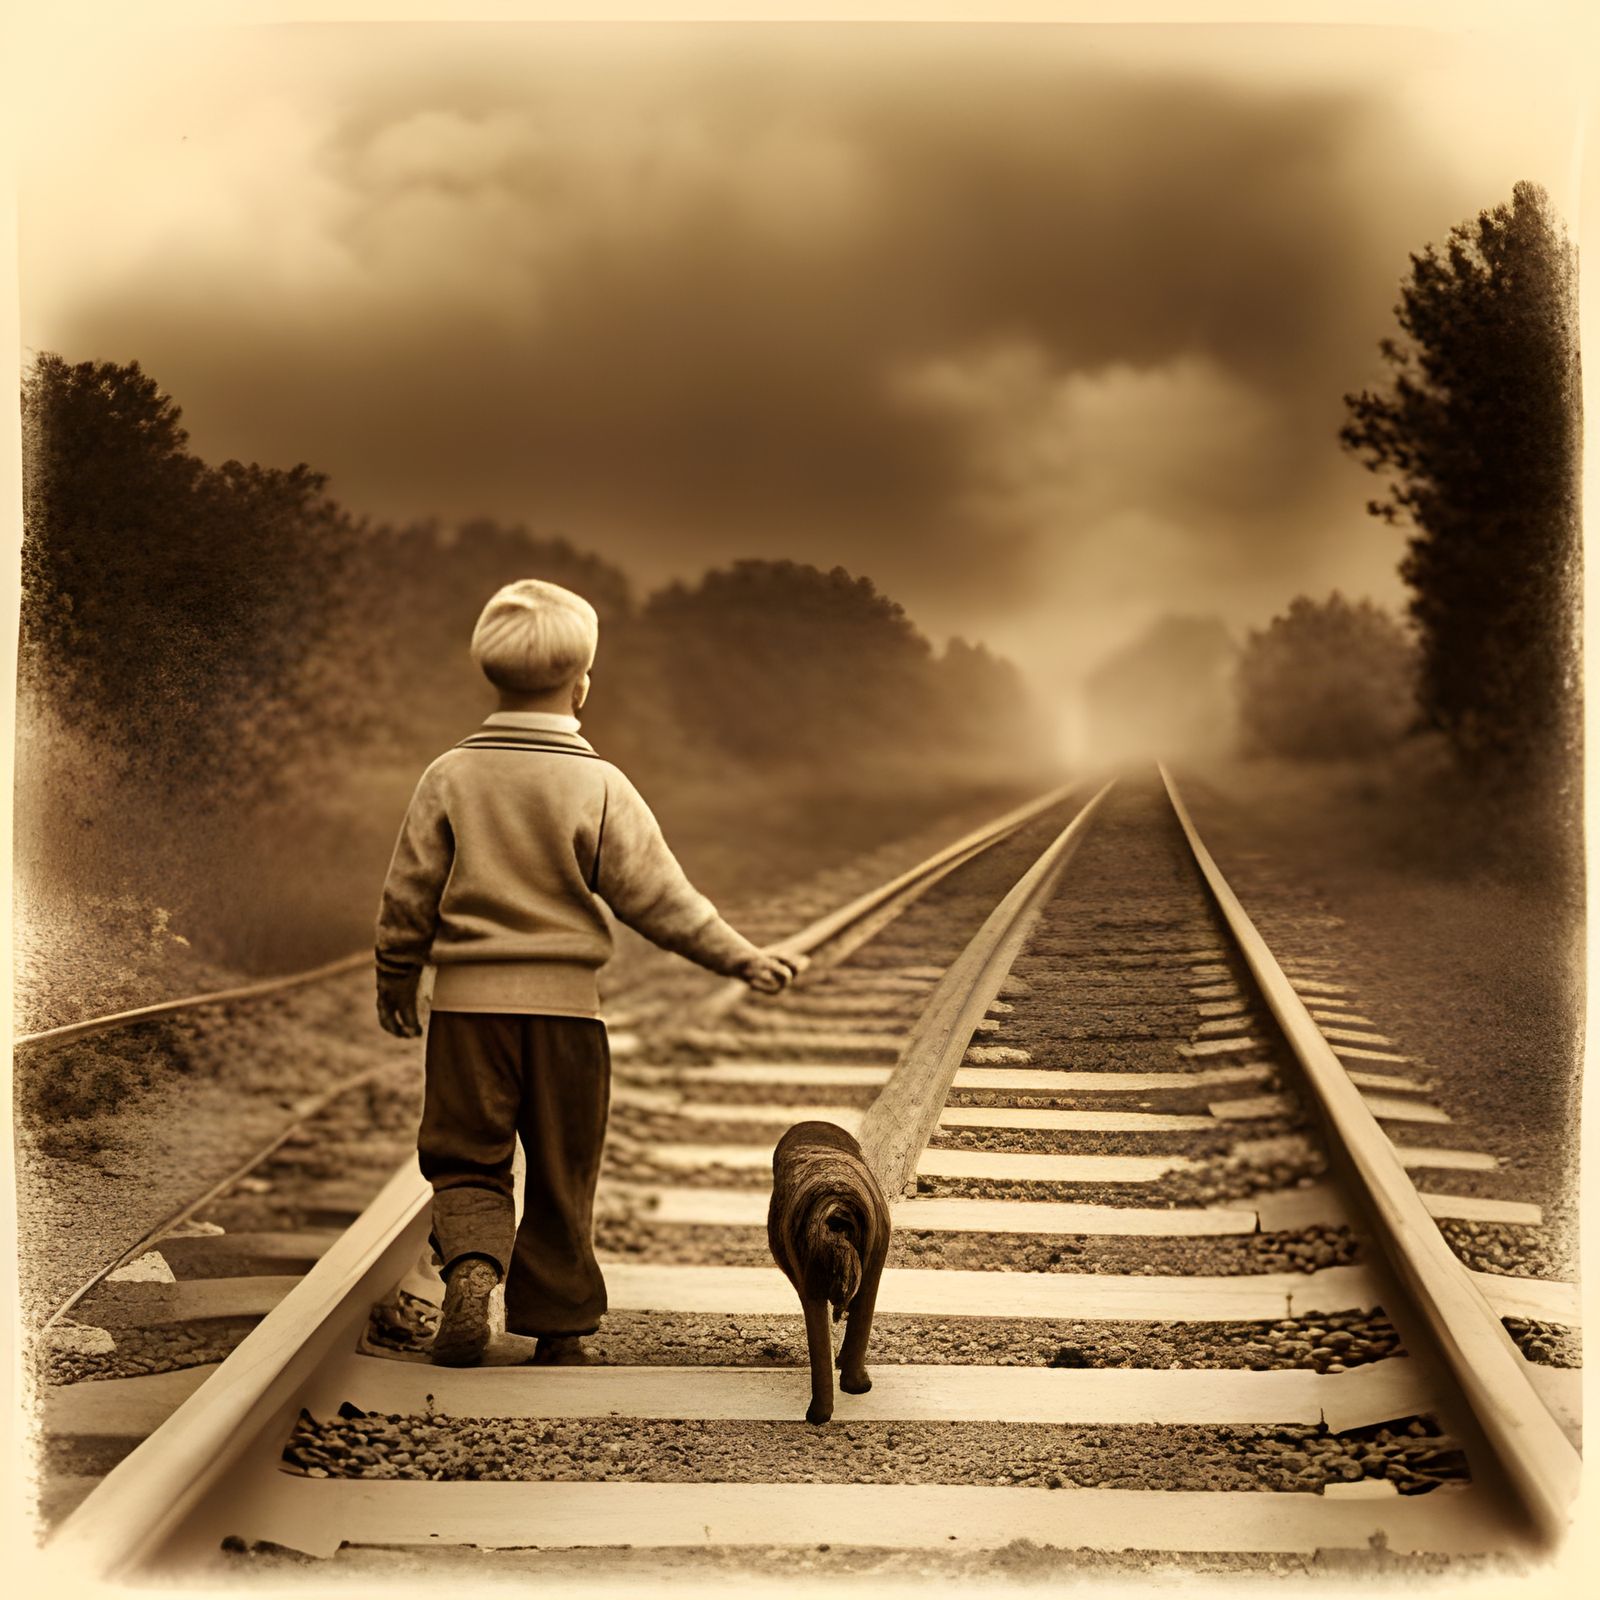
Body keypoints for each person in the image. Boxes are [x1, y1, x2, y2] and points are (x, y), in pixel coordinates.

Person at [375, 578, 796, 1366]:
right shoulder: (600, 784)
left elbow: (408, 896)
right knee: (565, 1171)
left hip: (469, 1016)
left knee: (467, 1156)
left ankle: (470, 1270)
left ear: (490, 678)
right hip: (570, 1019)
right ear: (582, 685)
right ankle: (559, 1330)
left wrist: (397, 980)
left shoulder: (450, 776)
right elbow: (661, 900)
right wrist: (742, 957)